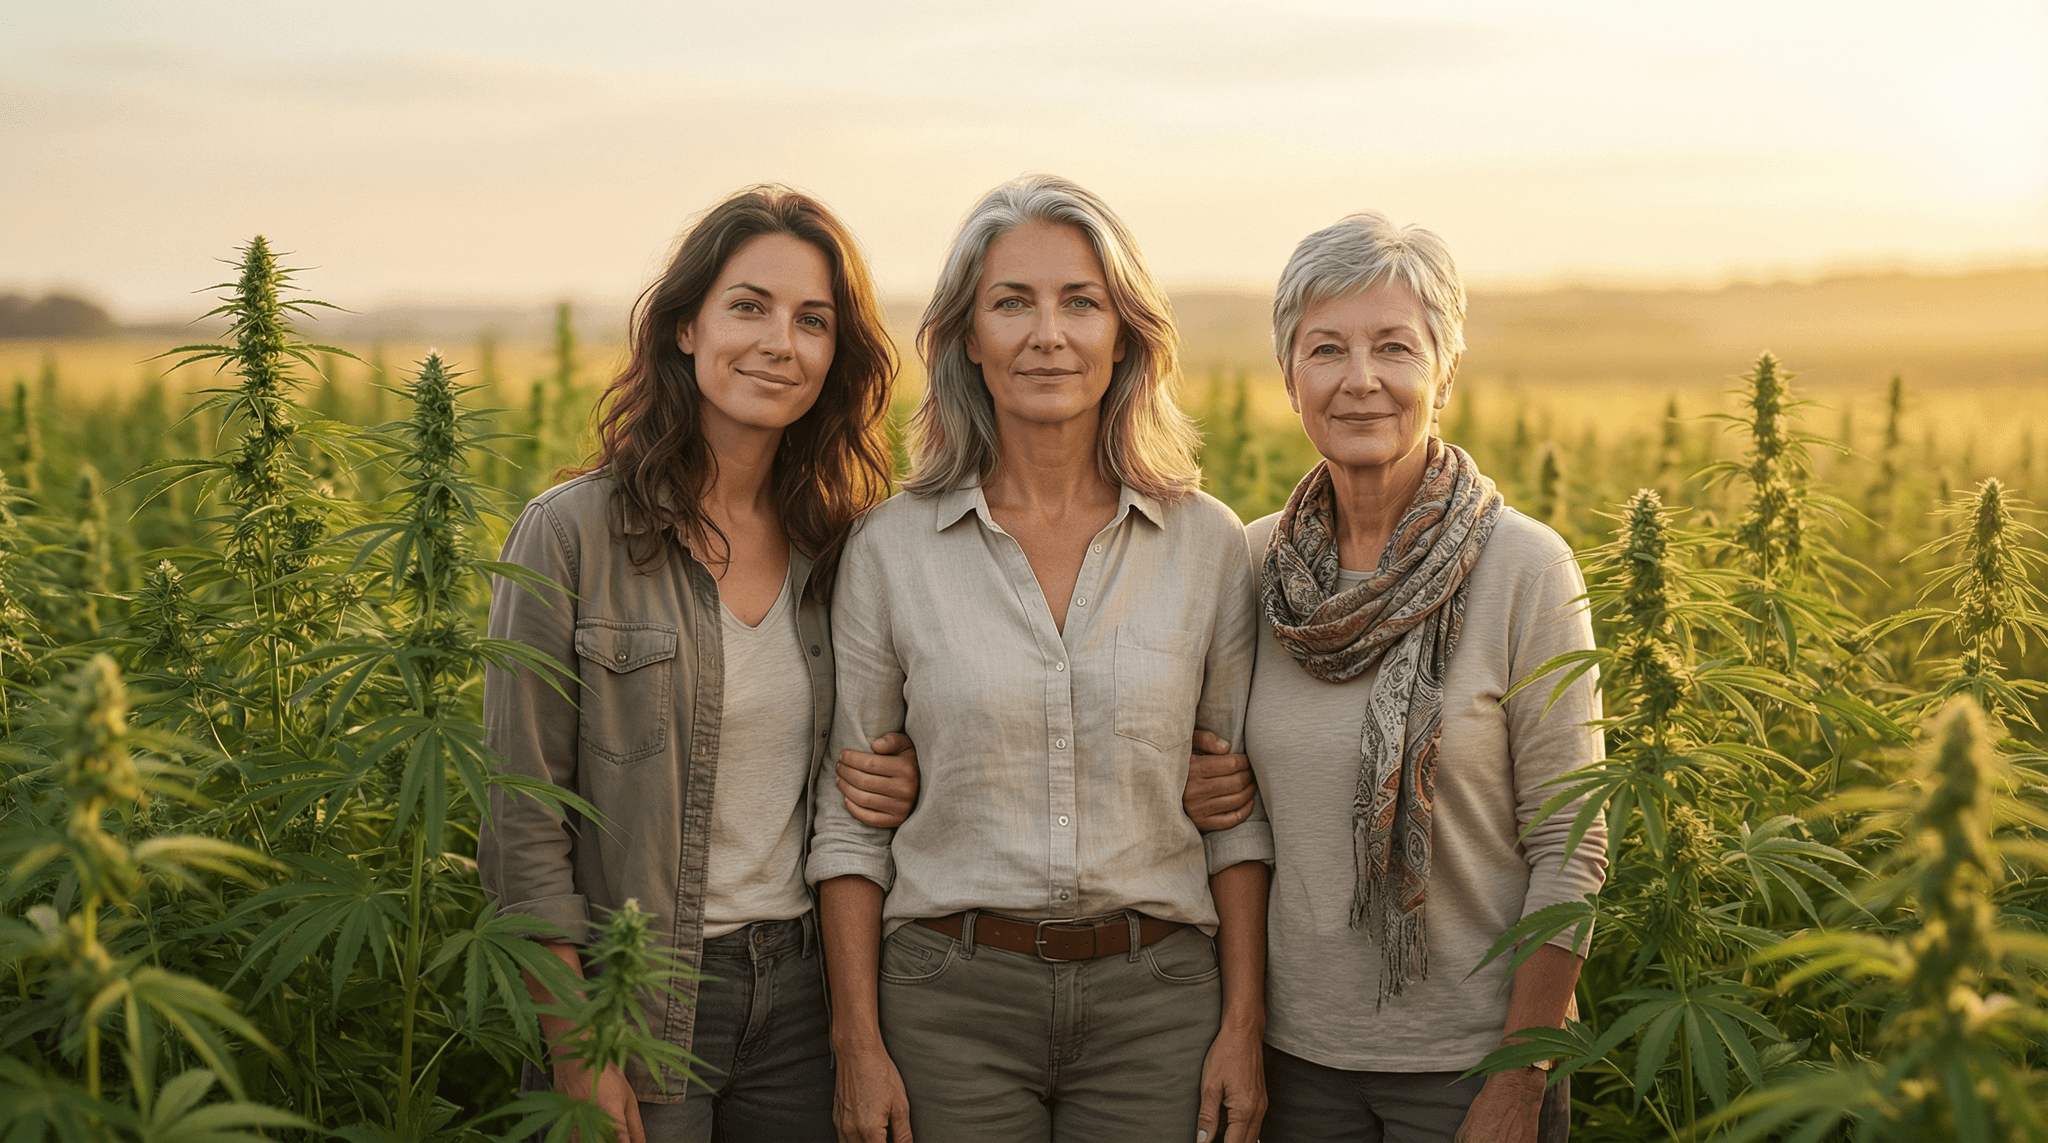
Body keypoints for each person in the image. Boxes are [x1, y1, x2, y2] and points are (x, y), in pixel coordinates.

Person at [808, 174, 1273, 1143]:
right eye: (1010, 302)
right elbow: (850, 828)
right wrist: (857, 1044)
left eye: (1079, 303)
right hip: (947, 1001)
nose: (1046, 334)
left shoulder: (1207, 547)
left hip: (1157, 1003)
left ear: (1124, 334)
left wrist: (1241, 1027)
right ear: (965, 338)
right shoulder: (889, 550)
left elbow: (1231, 821)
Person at [478, 186, 923, 1143]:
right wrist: (576, 1047)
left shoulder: (842, 546)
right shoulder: (571, 536)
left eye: (812, 321)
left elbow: (878, 752)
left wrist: (908, 768)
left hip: (806, 1001)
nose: (779, 342)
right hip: (633, 999)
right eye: (749, 306)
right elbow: (521, 823)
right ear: (685, 326)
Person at [1185, 212, 1608, 1143]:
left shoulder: (1527, 569)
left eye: (1394, 347)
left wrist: (1519, 1077)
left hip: (1469, 1064)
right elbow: (1232, 807)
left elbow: (1571, 847)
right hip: (1297, 1060)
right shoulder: (1253, 568)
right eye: (1326, 348)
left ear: (1443, 371)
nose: (1360, 379)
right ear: (1290, 377)